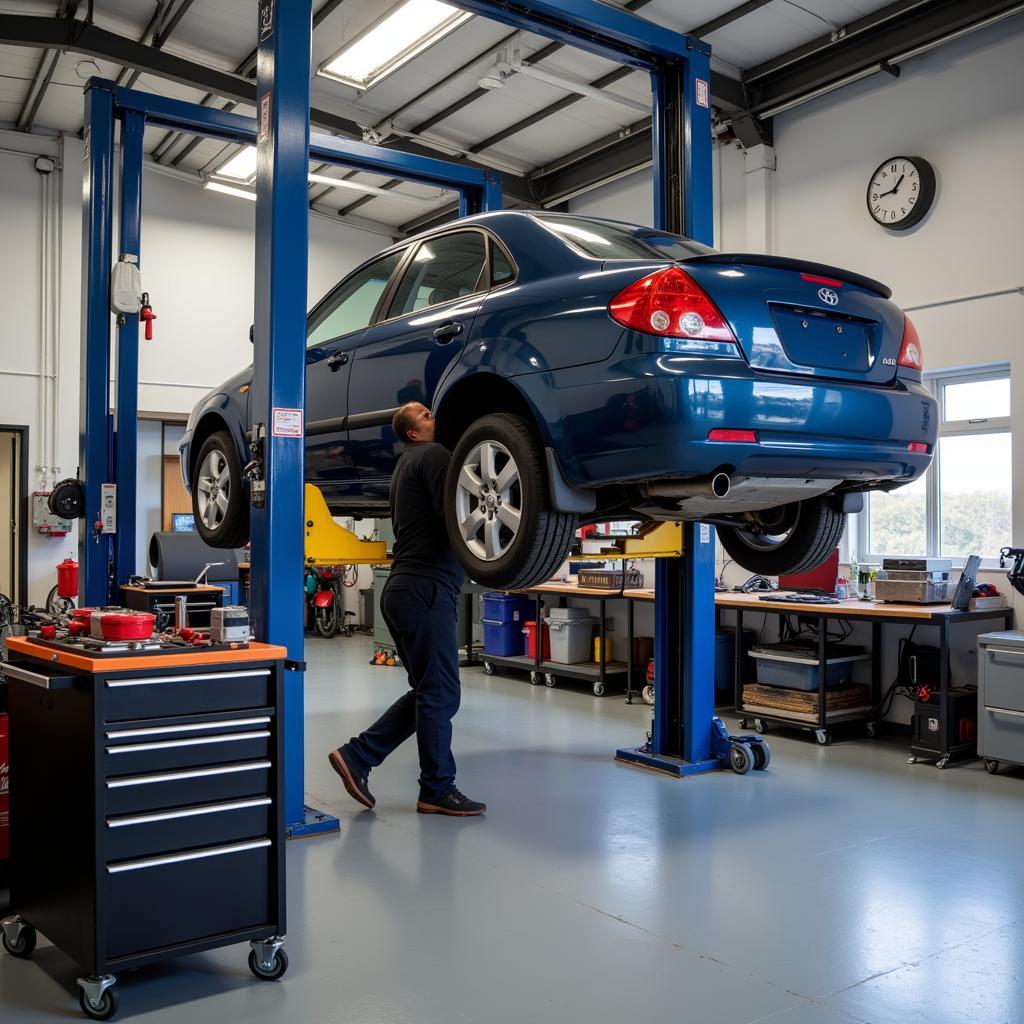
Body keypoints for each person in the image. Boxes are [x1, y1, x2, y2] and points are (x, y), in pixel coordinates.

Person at [328, 402, 486, 816]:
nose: (436, 416)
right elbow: (458, 513)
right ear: (414, 433)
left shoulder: (407, 463)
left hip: (406, 588)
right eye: (427, 416)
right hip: (425, 589)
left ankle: (358, 756)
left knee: (427, 692)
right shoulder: (434, 455)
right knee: (440, 694)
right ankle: (436, 788)